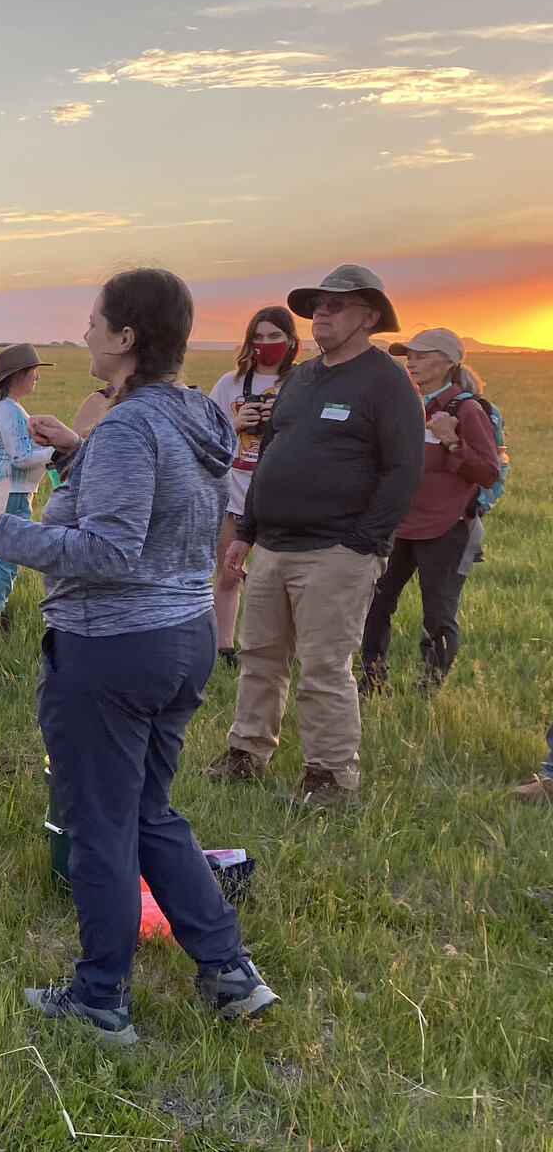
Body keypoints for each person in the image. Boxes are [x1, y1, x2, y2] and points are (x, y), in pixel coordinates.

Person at [0, 269, 277, 1045]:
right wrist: (78, 455)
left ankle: (101, 1000)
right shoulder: (194, 414)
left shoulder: (129, 428)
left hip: (112, 647)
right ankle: (230, 972)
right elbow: (156, 514)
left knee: (100, 827)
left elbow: (111, 548)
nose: (86, 333)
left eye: (95, 322)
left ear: (126, 339)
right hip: (184, 634)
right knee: (149, 811)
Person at [208, 265, 425, 804]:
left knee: (325, 667)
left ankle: (330, 778)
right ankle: (246, 752)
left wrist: (364, 541)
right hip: (275, 544)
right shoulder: (302, 379)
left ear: (370, 317)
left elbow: (403, 470)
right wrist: (247, 532)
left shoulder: (387, 382)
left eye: (338, 304)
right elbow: (271, 455)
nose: (322, 312)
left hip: (336, 551)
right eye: (319, 305)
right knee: (259, 655)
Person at [357, 328, 501, 697]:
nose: (412, 361)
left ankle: (428, 689)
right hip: (397, 526)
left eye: (422, 355)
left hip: (446, 527)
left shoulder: (466, 409)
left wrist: (452, 440)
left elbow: (487, 472)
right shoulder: (406, 403)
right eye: (409, 354)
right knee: (375, 604)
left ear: (449, 361)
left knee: (437, 615)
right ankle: (371, 682)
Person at [204, 307, 299, 667]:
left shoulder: (301, 382)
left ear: (291, 341)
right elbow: (206, 435)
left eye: (275, 337)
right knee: (228, 572)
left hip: (283, 493)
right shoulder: (230, 383)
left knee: (283, 578)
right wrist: (235, 420)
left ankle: (278, 650)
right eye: (258, 337)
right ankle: (223, 647)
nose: (266, 345)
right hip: (234, 490)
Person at [0, 344, 56, 629]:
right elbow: (20, 458)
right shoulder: (8, 409)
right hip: (11, 493)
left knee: (2, 557)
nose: (37, 377)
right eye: (34, 371)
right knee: (6, 559)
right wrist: (56, 452)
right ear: (18, 375)